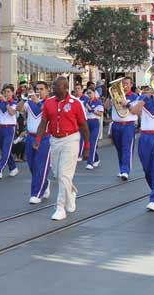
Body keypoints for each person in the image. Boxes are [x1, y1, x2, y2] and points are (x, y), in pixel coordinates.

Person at [36, 77, 89, 221]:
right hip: (55, 140)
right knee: (57, 174)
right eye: (53, 85)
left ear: (65, 87)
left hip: (71, 139)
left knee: (64, 175)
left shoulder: (76, 103)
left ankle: (60, 207)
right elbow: (43, 122)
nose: (54, 88)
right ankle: (70, 191)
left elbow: (84, 126)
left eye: (57, 86)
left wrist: (87, 148)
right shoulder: (49, 103)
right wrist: (38, 140)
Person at [17, 81, 51, 204]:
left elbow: (51, 114)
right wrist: (23, 98)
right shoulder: (29, 102)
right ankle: (45, 183)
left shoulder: (50, 102)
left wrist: (38, 102)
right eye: (37, 89)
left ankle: (36, 194)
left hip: (45, 138)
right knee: (32, 166)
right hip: (30, 137)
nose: (39, 91)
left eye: (42, 89)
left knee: (40, 167)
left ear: (47, 90)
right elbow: (18, 109)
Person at [104, 77, 139, 180]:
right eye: (123, 84)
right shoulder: (115, 95)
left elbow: (135, 111)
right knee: (119, 149)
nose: (124, 85)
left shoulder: (135, 97)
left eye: (127, 83)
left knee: (126, 148)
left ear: (131, 85)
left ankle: (125, 170)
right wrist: (110, 97)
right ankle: (122, 168)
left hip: (128, 124)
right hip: (116, 125)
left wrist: (126, 104)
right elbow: (106, 107)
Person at [0, 84, 19, 179]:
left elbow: (12, 112)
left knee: (5, 151)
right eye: (5, 92)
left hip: (9, 128)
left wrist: (6, 102)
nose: (6, 93)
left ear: (12, 93)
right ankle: (13, 168)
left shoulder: (14, 103)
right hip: (0, 128)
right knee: (5, 151)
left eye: (8, 92)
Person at [84, 87, 104, 170]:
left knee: (92, 143)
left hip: (95, 123)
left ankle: (90, 162)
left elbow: (100, 114)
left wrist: (92, 110)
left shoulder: (98, 102)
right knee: (88, 143)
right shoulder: (86, 102)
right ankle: (96, 158)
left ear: (94, 93)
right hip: (87, 123)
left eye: (90, 93)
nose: (89, 95)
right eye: (88, 93)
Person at [73, 84, 90, 162]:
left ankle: (80, 154)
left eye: (78, 88)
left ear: (82, 90)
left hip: (83, 121)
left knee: (82, 138)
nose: (77, 90)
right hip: (74, 121)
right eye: (76, 88)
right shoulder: (73, 99)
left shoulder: (86, 99)